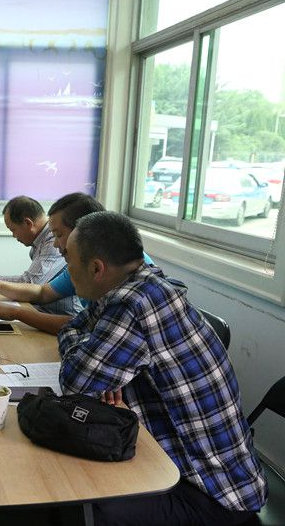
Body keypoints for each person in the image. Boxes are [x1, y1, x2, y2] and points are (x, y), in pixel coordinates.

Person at [58, 211, 266, 525]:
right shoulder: (140, 282)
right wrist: (91, 351)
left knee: (86, 502)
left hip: (213, 492)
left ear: (96, 268)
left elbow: (75, 380)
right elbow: (73, 327)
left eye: (68, 260)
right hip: (186, 461)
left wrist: (89, 353)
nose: (67, 269)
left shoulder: (133, 305)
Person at [0, 192, 106, 334]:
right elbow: (42, 292)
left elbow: (80, 325)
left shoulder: (111, 284)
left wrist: (16, 312)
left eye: (59, 235)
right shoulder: (76, 269)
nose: (55, 244)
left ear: (84, 234)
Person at [0, 195, 66, 287]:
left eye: (13, 230)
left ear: (28, 223)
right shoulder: (41, 239)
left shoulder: (53, 240)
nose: (13, 236)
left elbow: (30, 283)